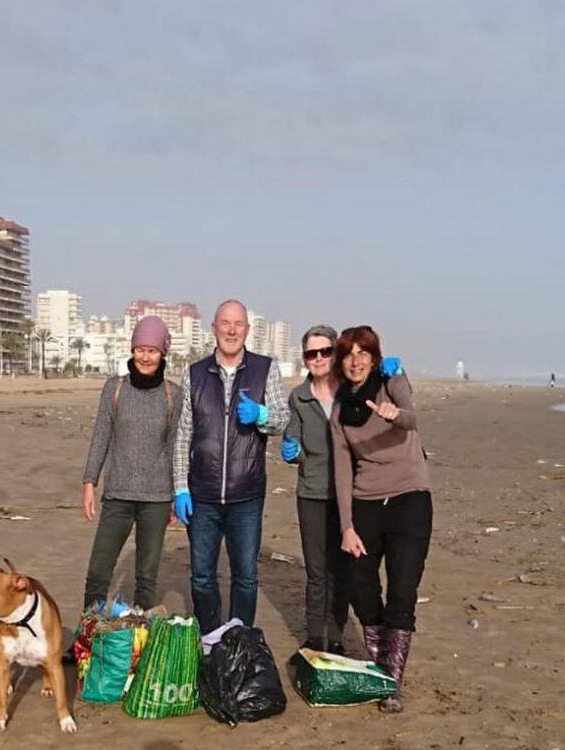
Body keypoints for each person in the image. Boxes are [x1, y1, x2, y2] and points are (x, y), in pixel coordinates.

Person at [330, 326, 433, 714]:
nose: (356, 360)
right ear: (342, 362)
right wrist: (346, 526)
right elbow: (342, 470)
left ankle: (391, 682)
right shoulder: (340, 410)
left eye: (363, 353)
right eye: (348, 354)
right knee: (362, 588)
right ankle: (378, 661)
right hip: (366, 502)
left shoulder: (392, 382)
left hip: (410, 498)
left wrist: (395, 413)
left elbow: (412, 418)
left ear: (375, 357)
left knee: (402, 592)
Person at [172, 299, 288, 635]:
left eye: (238, 324)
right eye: (225, 323)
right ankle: (210, 639)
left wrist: (262, 415)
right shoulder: (194, 373)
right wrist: (180, 486)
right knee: (202, 576)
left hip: (246, 495)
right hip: (202, 494)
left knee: (246, 576)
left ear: (247, 330)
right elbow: (182, 434)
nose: (232, 330)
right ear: (214, 328)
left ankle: (239, 640)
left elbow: (282, 419)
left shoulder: (265, 369)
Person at [80, 315, 180, 611]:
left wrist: (177, 495)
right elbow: (101, 437)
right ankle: (88, 634)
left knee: (146, 577)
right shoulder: (115, 388)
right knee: (98, 573)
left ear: (163, 352)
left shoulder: (173, 395)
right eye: (140, 349)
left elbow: (176, 448)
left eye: (152, 350)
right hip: (117, 496)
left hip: (157, 499)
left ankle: (140, 639)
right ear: (132, 350)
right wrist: (89, 483)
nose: (145, 356)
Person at [280, 324, 350, 654]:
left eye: (325, 351)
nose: (319, 358)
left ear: (335, 354)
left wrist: (397, 372)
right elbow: (293, 439)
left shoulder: (352, 390)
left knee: (341, 569)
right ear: (305, 358)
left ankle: (336, 638)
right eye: (312, 353)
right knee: (316, 571)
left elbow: (390, 398)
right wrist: (292, 453)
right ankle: (313, 639)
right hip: (311, 492)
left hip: (349, 495)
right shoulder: (299, 397)